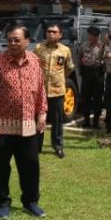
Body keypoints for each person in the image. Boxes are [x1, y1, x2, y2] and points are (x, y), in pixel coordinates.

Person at [0, 24, 48, 219]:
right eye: (10, 39)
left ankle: (30, 202)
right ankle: (2, 203)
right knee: (0, 167)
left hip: (28, 124)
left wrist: (42, 114)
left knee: (30, 165)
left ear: (27, 42)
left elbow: (41, 90)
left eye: (16, 40)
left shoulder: (35, 61)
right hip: (3, 125)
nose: (12, 43)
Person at [34, 24, 74, 158]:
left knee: (57, 121)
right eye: (48, 31)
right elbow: (33, 66)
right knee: (39, 120)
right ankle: (36, 147)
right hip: (41, 91)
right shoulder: (39, 48)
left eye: (54, 32)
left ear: (60, 35)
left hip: (57, 91)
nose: (50, 34)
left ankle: (58, 147)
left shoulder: (65, 50)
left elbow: (69, 68)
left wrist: (60, 79)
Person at [76, 26, 104, 128]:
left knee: (97, 98)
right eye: (91, 35)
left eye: (95, 36)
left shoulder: (102, 47)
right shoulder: (84, 46)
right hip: (87, 73)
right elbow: (79, 59)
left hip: (98, 73)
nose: (93, 37)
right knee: (85, 98)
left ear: (98, 36)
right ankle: (86, 120)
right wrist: (81, 72)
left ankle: (96, 121)